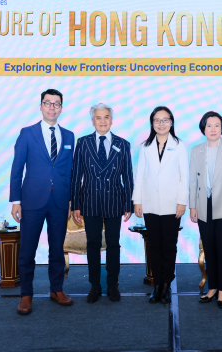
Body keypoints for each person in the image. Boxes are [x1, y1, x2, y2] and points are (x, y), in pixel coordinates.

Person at [10, 89, 75, 315]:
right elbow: (17, 169)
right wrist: (16, 200)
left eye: (56, 104)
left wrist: (70, 200)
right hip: (32, 200)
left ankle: (56, 289)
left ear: (61, 108)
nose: (52, 107)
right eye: (48, 103)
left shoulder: (69, 136)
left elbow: (69, 171)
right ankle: (26, 295)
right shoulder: (27, 133)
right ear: (40, 106)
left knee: (57, 249)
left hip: (59, 202)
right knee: (27, 250)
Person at [70, 103, 133, 303]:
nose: (103, 121)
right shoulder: (83, 143)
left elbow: (128, 177)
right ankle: (95, 286)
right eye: (99, 117)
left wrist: (129, 204)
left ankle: (113, 285)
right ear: (93, 121)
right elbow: (76, 176)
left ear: (112, 120)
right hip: (90, 201)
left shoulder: (123, 144)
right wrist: (75, 205)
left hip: (115, 201)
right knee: (93, 245)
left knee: (114, 245)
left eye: (106, 117)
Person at [132, 106, 189, 304]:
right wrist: (137, 201)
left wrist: (182, 201)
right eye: (157, 120)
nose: (161, 123)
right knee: (154, 246)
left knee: (169, 246)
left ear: (171, 122)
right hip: (149, 204)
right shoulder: (145, 146)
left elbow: (185, 176)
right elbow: (139, 175)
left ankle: (166, 284)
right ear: (152, 123)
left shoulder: (180, 145)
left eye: (165, 120)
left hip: (173, 205)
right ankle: (157, 285)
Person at [189, 111, 222, 309]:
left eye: (217, 125)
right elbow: (193, 181)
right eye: (209, 125)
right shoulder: (196, 150)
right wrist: (192, 206)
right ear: (203, 128)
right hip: (204, 204)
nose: (213, 129)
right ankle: (212, 287)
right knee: (209, 248)